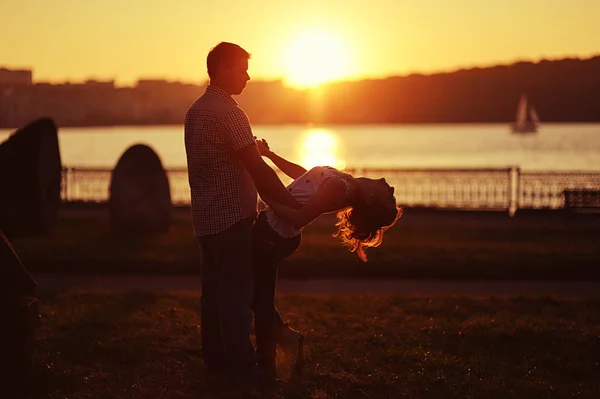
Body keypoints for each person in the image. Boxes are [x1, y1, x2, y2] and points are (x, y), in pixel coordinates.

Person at [184, 42, 300, 383]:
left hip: (204, 220)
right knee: (237, 297)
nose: (248, 76)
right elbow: (257, 168)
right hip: (233, 218)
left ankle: (215, 362)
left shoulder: (196, 111)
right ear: (222, 68)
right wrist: (292, 207)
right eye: (242, 69)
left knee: (213, 297)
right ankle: (241, 369)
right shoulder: (230, 114)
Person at [251, 138, 402, 379]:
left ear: (372, 199)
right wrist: (271, 155)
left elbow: (299, 218)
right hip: (275, 232)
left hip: (274, 234)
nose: (392, 190)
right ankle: (276, 353)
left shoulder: (341, 189)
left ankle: (269, 363)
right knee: (259, 298)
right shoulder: (346, 183)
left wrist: (266, 195)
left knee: (257, 297)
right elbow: (305, 175)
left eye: (389, 198)